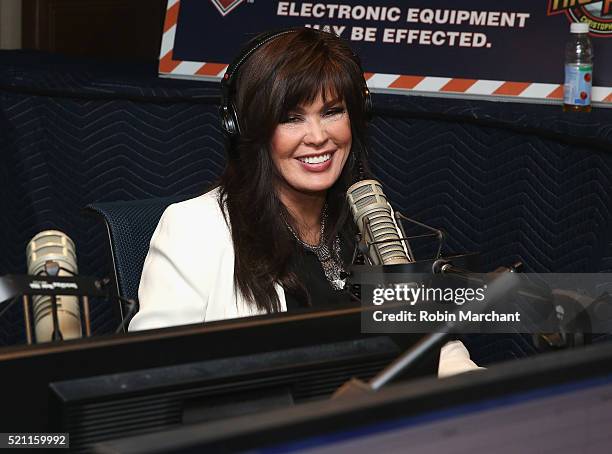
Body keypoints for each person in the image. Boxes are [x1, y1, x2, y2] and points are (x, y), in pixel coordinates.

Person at [128, 27, 480, 377]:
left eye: (332, 112)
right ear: (246, 127)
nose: (318, 137)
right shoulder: (195, 228)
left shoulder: (367, 216)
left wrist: (475, 393)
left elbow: (432, 343)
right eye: (291, 118)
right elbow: (151, 376)